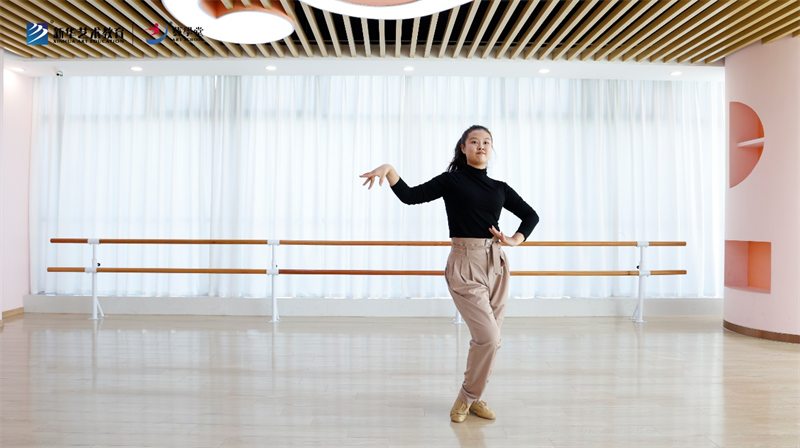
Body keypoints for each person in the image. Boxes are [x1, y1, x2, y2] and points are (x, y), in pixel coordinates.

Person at [359, 125, 539, 422]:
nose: (481, 146)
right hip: (465, 263)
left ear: (491, 148)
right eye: (474, 141)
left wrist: (514, 239)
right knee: (488, 337)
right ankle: (467, 398)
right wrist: (389, 170)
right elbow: (410, 196)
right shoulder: (452, 180)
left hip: (496, 264)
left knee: (489, 340)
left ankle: (474, 397)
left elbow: (531, 215)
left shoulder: (500, 188)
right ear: (463, 148)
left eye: (486, 142)